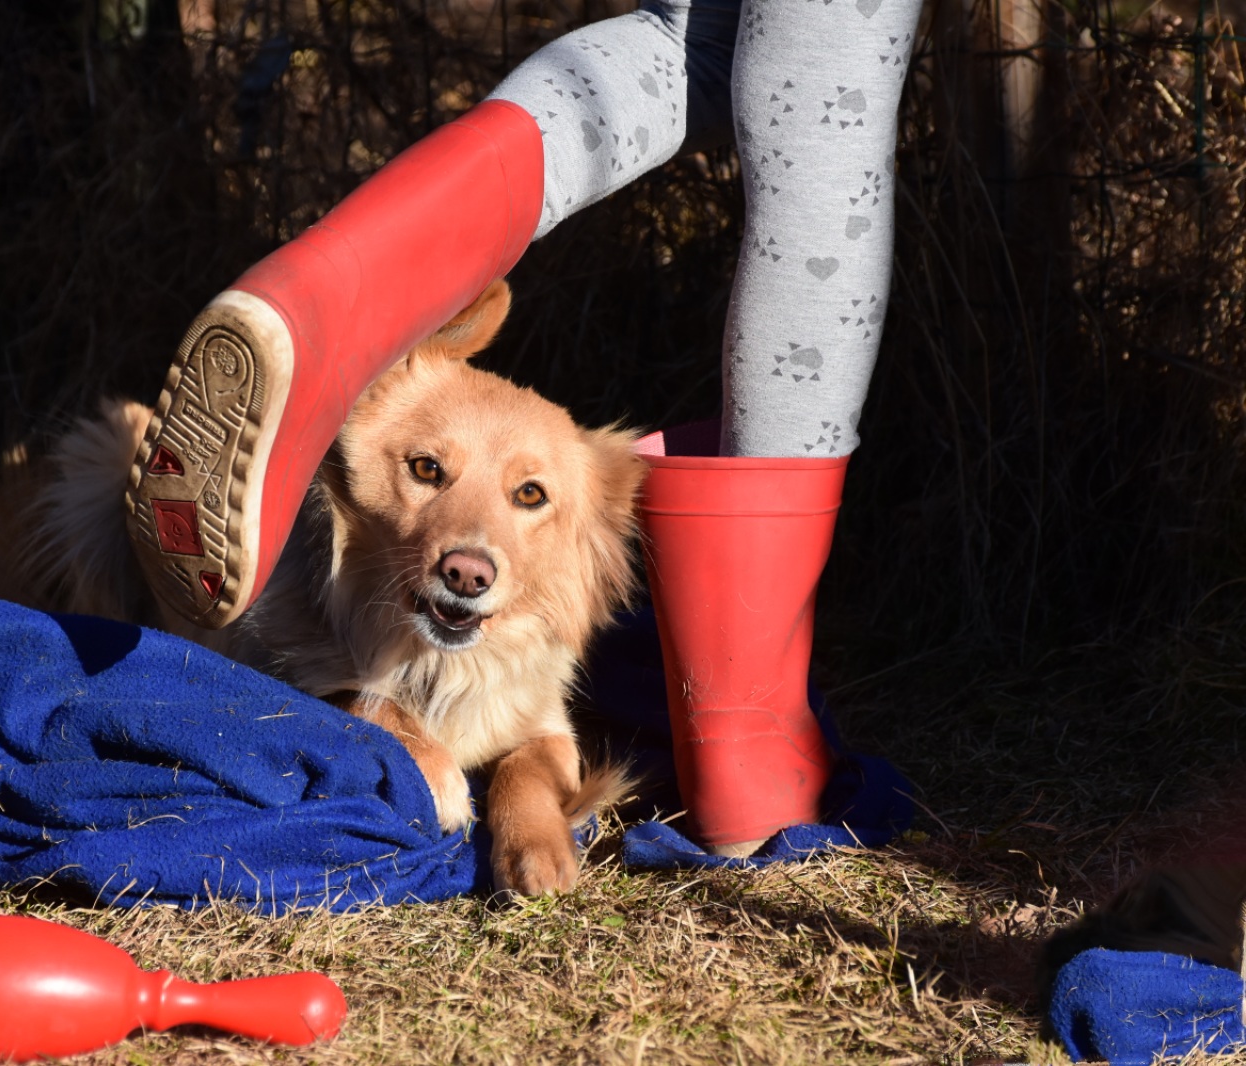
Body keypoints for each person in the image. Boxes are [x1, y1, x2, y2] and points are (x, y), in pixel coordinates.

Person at [125, 0, 924, 857]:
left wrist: (528, 793)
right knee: (825, 77)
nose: (471, 545)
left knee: (696, 41)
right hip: (306, 618)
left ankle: (339, 288)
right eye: (430, 470)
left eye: (530, 496)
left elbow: (543, 729)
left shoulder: (582, 526)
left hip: (461, 659)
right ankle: (747, 733)